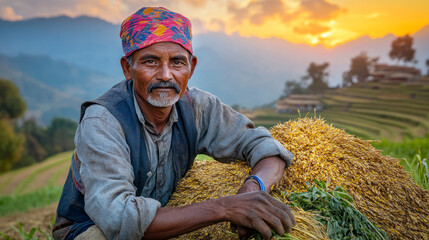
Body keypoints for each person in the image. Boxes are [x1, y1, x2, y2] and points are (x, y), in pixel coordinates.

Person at [53, 6, 295, 240]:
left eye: (178, 62)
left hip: (161, 220)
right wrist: (226, 207)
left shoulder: (198, 106)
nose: (166, 75)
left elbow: (265, 148)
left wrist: (255, 185)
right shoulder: (103, 121)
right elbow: (119, 219)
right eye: (151, 62)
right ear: (128, 68)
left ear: (191, 68)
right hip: (91, 229)